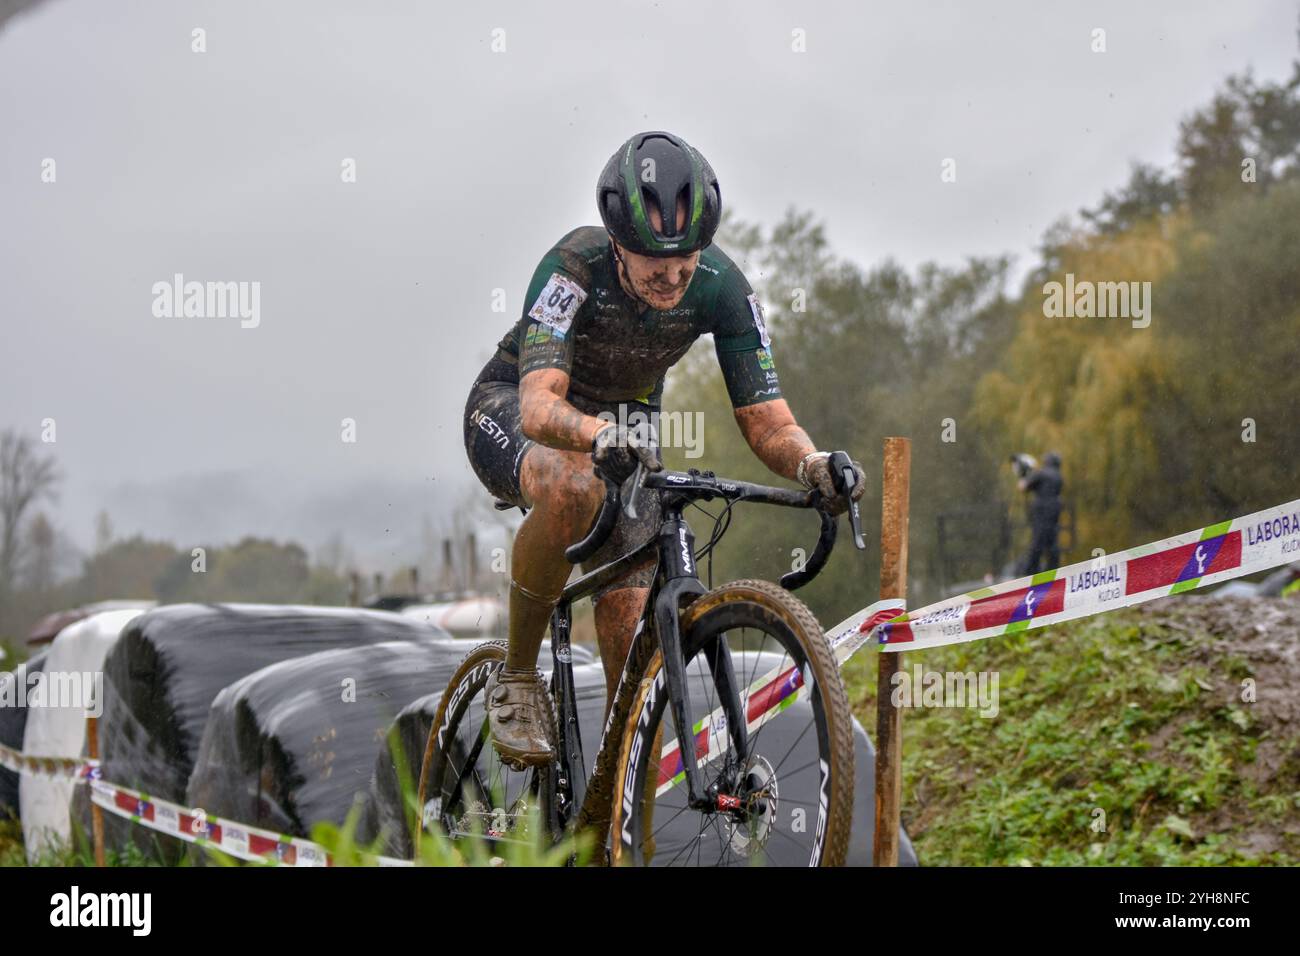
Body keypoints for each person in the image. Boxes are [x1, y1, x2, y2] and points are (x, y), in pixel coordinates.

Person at [462, 131, 866, 768]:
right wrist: (596, 433)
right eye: (656, 266)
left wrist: (811, 463)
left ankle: (621, 792)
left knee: (630, 608)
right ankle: (515, 679)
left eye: (687, 263)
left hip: (628, 431)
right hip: (516, 410)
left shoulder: (722, 286)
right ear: (619, 242)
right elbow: (541, 405)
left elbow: (766, 420)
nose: (674, 279)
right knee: (574, 487)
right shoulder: (571, 267)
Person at [1017, 451, 1063, 575]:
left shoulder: (1041, 473)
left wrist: (1023, 474)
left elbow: (1023, 486)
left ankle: (1031, 570)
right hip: (1055, 509)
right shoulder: (1058, 476)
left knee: (1038, 539)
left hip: (1042, 509)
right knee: (1052, 539)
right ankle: (1053, 567)